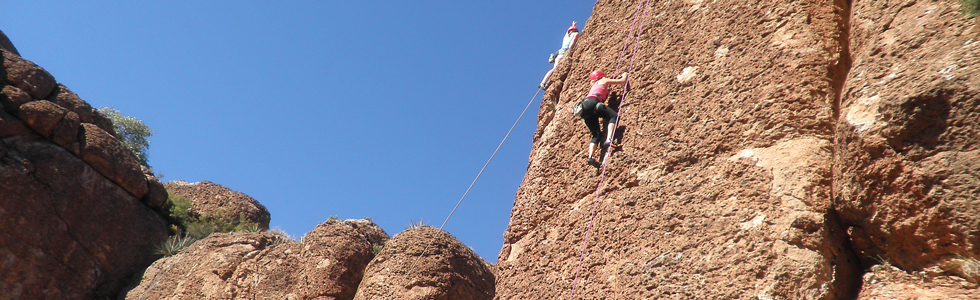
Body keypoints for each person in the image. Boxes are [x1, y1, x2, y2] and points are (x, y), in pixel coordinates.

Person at [574, 70, 628, 163]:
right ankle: (609, 139)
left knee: (596, 135)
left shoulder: (594, 86)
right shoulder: (604, 80)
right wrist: (625, 74)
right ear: (601, 76)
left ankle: (590, 157)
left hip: (584, 109)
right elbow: (622, 82)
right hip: (593, 103)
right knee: (614, 116)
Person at [539, 22, 580, 90]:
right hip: (563, 52)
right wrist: (569, 51)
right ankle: (543, 83)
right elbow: (573, 41)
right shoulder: (576, 34)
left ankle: (544, 82)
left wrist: (573, 25)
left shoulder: (566, 36)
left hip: (559, 53)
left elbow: (569, 31)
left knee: (554, 68)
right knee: (555, 69)